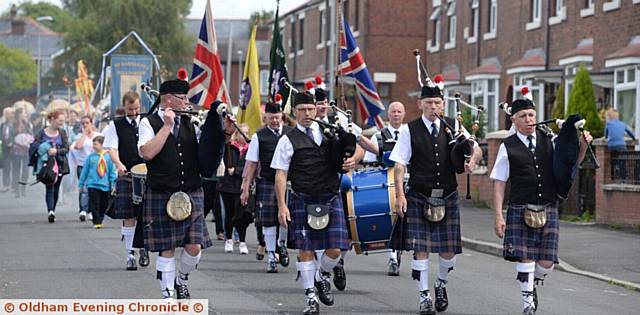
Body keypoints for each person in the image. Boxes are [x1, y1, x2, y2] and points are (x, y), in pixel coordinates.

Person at [490, 97, 592, 315]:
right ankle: (528, 304)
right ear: (513, 120)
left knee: (547, 262)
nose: (528, 120)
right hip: (520, 206)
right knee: (525, 257)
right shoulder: (507, 146)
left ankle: (532, 281)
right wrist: (498, 215)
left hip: (548, 206)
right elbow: (499, 181)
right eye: (523, 116)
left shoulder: (550, 139)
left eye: (531, 115)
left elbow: (570, 162)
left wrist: (583, 146)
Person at [389, 83, 482, 315]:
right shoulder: (410, 130)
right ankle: (424, 296)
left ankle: (440, 284)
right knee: (420, 249)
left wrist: (473, 161)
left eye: (437, 103)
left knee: (448, 252)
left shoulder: (454, 125)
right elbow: (399, 164)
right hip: (419, 194)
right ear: (420, 104)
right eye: (429, 103)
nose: (433, 107)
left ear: (444, 104)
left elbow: (475, 147)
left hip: (448, 194)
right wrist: (400, 195)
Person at [138, 78, 229, 300]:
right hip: (161, 192)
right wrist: (167, 126)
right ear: (167, 99)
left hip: (191, 191)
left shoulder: (193, 122)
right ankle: (168, 295)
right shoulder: (148, 123)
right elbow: (147, 153)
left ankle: (182, 279)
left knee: (194, 247)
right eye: (183, 98)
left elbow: (207, 152)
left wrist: (223, 132)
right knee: (167, 247)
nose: (187, 102)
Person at [272, 91, 352, 314]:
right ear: (294, 112)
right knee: (305, 249)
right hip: (302, 198)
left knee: (336, 249)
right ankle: (310, 298)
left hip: (330, 196)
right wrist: (282, 205)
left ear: (316, 109)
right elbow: (280, 174)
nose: (307, 114)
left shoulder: (330, 134)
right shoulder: (287, 139)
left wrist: (350, 160)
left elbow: (354, 149)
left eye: (310, 109)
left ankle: (321, 275)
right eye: (302, 110)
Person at [241, 101, 293, 273]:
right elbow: (252, 163)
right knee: (269, 221)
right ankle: (271, 256)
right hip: (268, 182)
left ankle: (282, 246)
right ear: (265, 118)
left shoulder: (291, 133)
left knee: (287, 218)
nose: (275, 121)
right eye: (271, 118)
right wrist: (246, 187)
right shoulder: (259, 136)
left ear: (282, 117)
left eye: (277, 118)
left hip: (290, 182)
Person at [103, 92, 149, 270]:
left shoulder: (146, 123)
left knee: (146, 215)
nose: (134, 112)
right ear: (124, 108)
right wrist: (119, 165)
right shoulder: (116, 125)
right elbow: (112, 149)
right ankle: (130, 254)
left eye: (137, 108)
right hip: (127, 175)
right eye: (130, 109)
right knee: (129, 215)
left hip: (148, 175)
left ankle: (144, 247)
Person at [362, 101, 406, 276]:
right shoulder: (378, 136)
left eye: (399, 111)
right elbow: (369, 162)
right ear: (388, 114)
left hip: (407, 181)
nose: (396, 114)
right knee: (390, 218)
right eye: (393, 111)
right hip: (385, 184)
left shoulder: (408, 134)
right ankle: (393, 257)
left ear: (404, 114)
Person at [218, 123, 252, 255]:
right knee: (229, 213)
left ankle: (242, 241)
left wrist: (237, 171)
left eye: (246, 133)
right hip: (227, 185)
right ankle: (229, 239)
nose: (244, 136)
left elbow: (251, 166)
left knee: (242, 215)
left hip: (242, 185)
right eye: (241, 133)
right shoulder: (229, 147)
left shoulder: (250, 149)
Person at [33, 110, 70, 223]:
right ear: (52, 119)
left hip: (59, 164)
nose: (61, 123)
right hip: (46, 165)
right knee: (49, 187)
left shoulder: (62, 133)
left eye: (63, 121)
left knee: (56, 188)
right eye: (60, 121)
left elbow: (66, 148)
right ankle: (50, 211)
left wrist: (56, 151)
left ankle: (52, 209)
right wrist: (44, 149)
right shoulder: (41, 132)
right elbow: (35, 146)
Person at [78, 136, 117, 229]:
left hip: (105, 185)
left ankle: (100, 218)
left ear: (102, 145)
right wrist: (81, 184)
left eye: (96, 144)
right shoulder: (90, 157)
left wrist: (113, 184)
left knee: (104, 204)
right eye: (93, 144)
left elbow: (111, 172)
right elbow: (85, 171)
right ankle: (97, 221)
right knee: (94, 203)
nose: (94, 146)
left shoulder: (108, 157)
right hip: (92, 184)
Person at [72, 115, 102, 222]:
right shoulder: (79, 136)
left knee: (94, 189)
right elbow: (78, 146)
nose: (85, 125)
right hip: (83, 165)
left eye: (87, 123)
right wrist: (84, 133)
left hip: (95, 165)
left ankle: (91, 210)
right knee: (84, 188)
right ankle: (83, 210)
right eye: (83, 123)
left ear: (91, 123)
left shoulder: (98, 135)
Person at [604, 108, 636, 180]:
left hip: (612, 146)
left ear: (609, 117)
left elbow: (606, 135)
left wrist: (607, 137)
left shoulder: (608, 124)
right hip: (621, 146)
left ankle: (612, 177)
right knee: (623, 163)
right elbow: (630, 133)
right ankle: (623, 179)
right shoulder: (622, 124)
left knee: (613, 162)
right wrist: (634, 139)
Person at [11, 108, 33, 198]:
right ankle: (16, 190)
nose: (25, 115)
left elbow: (31, 133)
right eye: (23, 113)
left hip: (26, 150)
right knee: (16, 170)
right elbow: (11, 135)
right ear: (19, 114)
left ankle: (23, 188)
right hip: (16, 149)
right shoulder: (13, 124)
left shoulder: (27, 123)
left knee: (25, 170)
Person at [1, 107, 15, 192]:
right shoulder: (3, 124)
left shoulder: (14, 124)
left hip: (14, 148)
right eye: (6, 114)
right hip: (4, 147)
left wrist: (12, 142)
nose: (7, 115)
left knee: (14, 167)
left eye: (9, 113)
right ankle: (6, 185)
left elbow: (16, 134)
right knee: (6, 167)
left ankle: (14, 185)